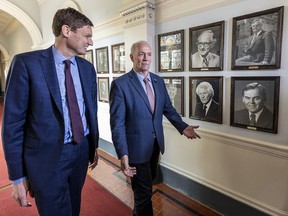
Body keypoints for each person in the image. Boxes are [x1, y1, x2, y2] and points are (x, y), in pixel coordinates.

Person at [1, 7, 99, 216]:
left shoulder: (87, 69)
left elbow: (90, 111)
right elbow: (12, 125)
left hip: (81, 152)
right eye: (87, 35)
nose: (90, 41)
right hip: (47, 158)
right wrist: (17, 177)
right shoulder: (26, 64)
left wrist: (92, 146)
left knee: (74, 208)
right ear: (66, 30)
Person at [109, 40, 201, 216]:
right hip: (135, 150)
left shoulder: (158, 81)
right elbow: (117, 123)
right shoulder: (120, 85)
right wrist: (123, 153)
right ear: (132, 57)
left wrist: (183, 127)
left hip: (155, 146)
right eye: (141, 54)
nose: (146, 58)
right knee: (143, 194)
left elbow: (168, 109)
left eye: (149, 54)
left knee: (145, 189)